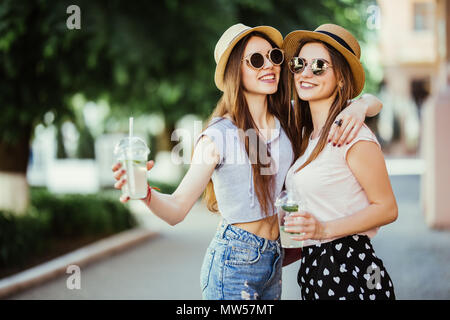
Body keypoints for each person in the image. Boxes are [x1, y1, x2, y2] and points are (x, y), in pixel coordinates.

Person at [112, 23, 383, 300]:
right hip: (233, 262)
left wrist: (361, 107)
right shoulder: (218, 135)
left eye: (275, 57)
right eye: (256, 60)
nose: (269, 65)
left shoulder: (289, 119)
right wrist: (145, 194)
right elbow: (178, 209)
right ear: (235, 72)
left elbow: (368, 101)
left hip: (273, 261)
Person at [282, 24, 397, 300]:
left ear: (341, 79)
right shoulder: (308, 134)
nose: (306, 73)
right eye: (299, 64)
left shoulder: (353, 135)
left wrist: (324, 229)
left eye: (319, 65)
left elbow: (388, 208)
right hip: (316, 268)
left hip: (350, 268)